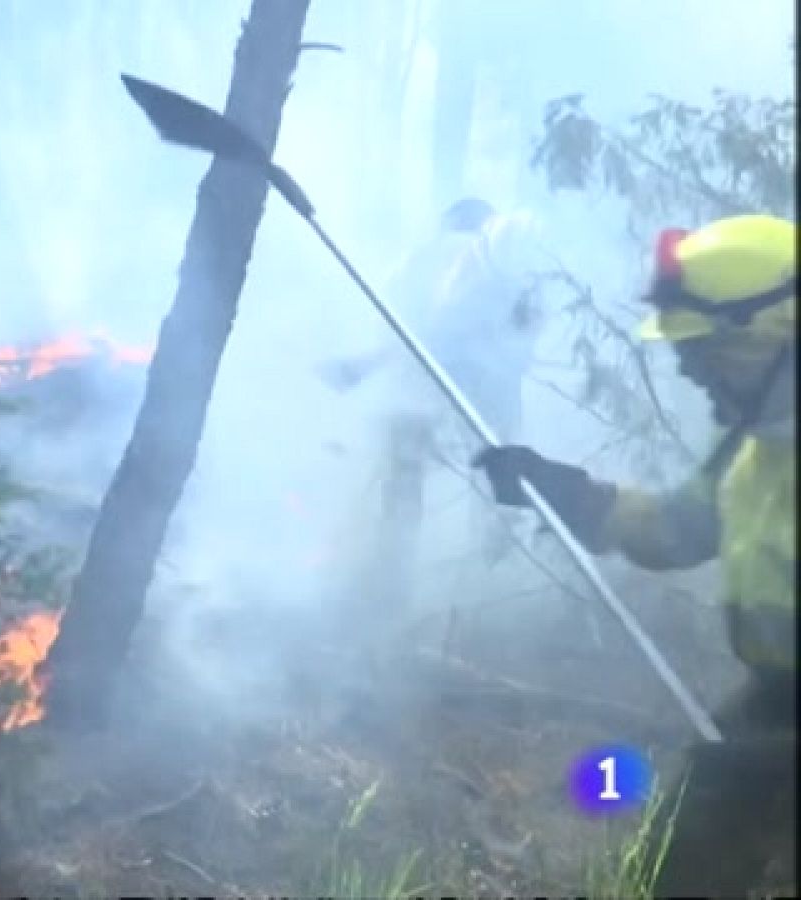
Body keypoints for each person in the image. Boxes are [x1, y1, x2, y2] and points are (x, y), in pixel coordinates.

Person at [474, 214, 796, 897]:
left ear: (765, 334)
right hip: (776, 701)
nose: (689, 371)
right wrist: (567, 494)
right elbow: (676, 529)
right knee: (682, 858)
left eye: (702, 349)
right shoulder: (755, 450)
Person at [320, 197, 550, 614]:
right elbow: (527, 329)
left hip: (429, 379)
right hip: (480, 386)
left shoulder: (427, 259)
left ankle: (392, 585)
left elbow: (410, 326)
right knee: (493, 484)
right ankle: (487, 591)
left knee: (405, 481)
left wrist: (365, 365)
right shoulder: (502, 264)